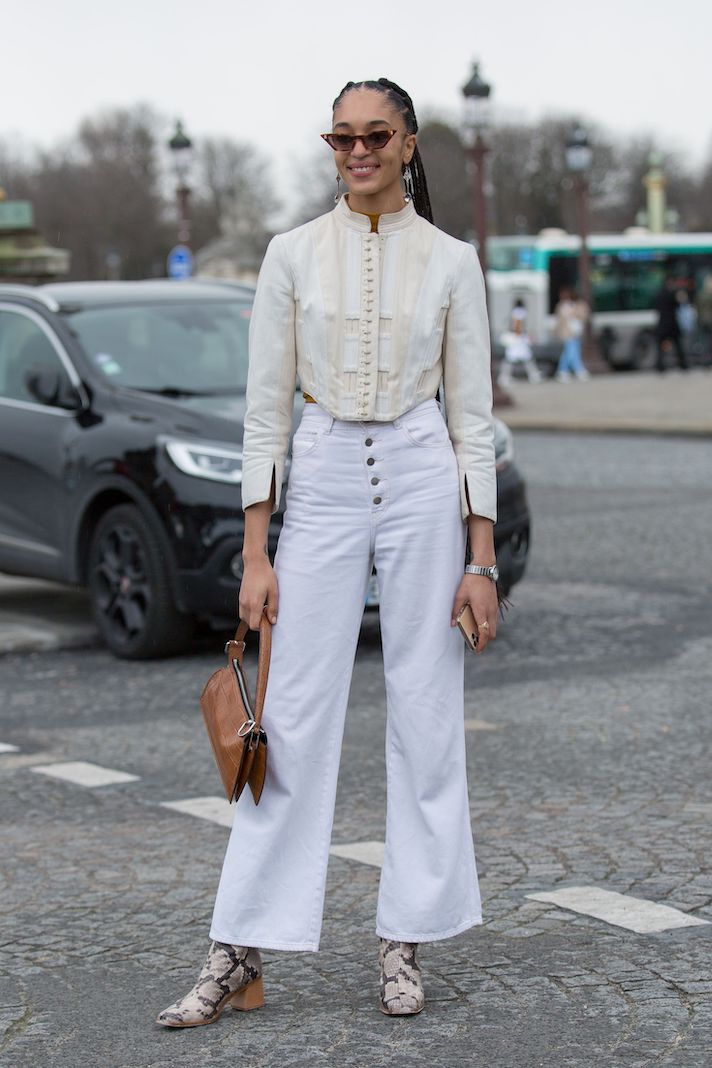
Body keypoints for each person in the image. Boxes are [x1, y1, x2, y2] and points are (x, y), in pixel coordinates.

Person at [156, 78, 499, 1027]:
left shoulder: (453, 260)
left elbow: (474, 418)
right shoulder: (290, 254)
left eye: (375, 134)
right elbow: (263, 411)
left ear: (410, 142)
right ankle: (238, 949)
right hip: (325, 471)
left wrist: (482, 558)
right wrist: (255, 552)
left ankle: (406, 939)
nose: (357, 150)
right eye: (341, 136)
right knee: (292, 717)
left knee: (427, 714)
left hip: (426, 472)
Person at [498, 299, 542, 385]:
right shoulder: (520, 312)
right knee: (524, 358)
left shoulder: (514, 311)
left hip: (516, 337)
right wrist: (519, 334)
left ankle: (504, 376)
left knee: (513, 358)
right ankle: (533, 375)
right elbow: (518, 323)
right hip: (518, 338)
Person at [554, 287, 590, 381]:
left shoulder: (579, 304)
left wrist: (574, 314)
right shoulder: (561, 306)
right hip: (566, 332)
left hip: (576, 331)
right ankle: (579, 370)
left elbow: (584, 315)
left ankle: (563, 371)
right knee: (572, 351)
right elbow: (559, 320)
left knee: (569, 352)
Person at [655, 277, 687, 372]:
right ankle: (683, 365)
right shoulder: (672, 294)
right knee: (678, 346)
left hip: (662, 324)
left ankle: (660, 366)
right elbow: (679, 305)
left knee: (661, 347)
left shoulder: (659, 294)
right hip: (672, 324)